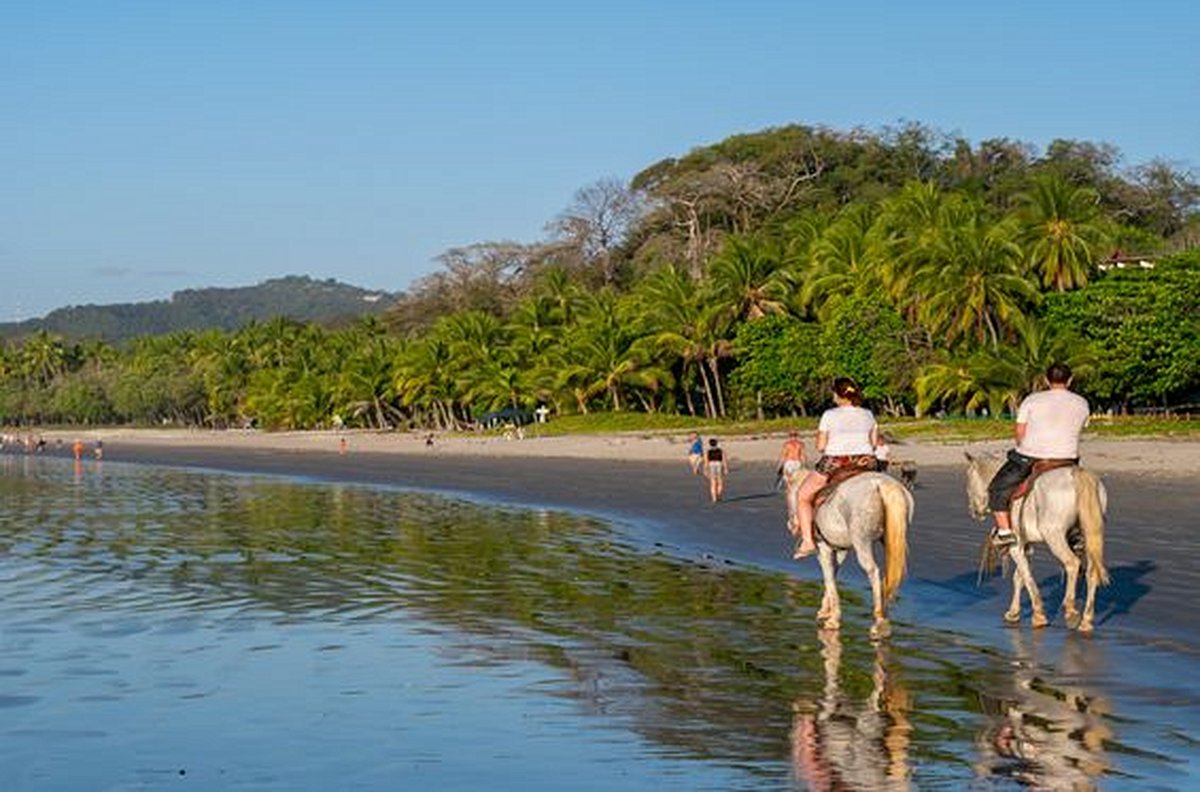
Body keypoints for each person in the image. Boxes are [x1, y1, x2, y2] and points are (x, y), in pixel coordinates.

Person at [987, 363, 1090, 545]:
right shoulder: (1082, 402)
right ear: (1070, 380)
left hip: (1032, 456)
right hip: (1068, 460)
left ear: (1045, 380)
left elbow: (1019, 432)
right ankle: (1078, 532)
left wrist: (1024, 446)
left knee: (997, 488)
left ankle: (1004, 532)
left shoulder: (1032, 400)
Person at [791, 378, 880, 558]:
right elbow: (874, 443)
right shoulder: (868, 414)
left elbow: (821, 446)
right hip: (866, 461)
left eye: (833, 393)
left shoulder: (829, 415)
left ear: (838, 395)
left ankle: (808, 541)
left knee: (802, 496)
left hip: (836, 462)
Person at [777, 430, 808, 528]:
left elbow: (784, 456)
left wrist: (779, 467)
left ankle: (792, 510)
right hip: (794, 464)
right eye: (792, 435)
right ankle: (793, 509)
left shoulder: (790, 444)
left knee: (791, 488)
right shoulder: (798, 444)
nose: (793, 437)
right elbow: (803, 456)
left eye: (794, 435)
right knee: (793, 487)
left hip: (792, 464)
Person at [704, 438, 728, 503]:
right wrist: (725, 468)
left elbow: (706, 462)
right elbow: (724, 460)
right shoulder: (721, 451)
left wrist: (706, 470)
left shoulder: (707, 452)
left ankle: (714, 498)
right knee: (720, 482)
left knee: (713, 483)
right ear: (716, 443)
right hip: (719, 465)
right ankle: (718, 495)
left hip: (711, 465)